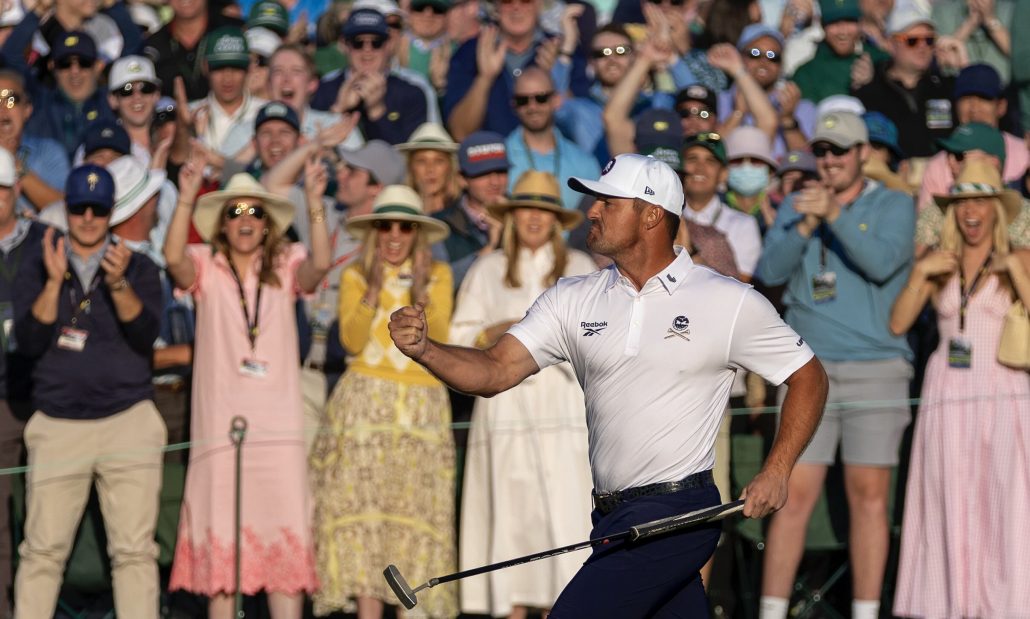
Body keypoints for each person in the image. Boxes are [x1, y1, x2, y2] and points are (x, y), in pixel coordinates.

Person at [388, 153, 829, 616]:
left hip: (677, 514)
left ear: (652, 214)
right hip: (609, 517)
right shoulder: (572, 298)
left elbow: (807, 375)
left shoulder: (726, 299)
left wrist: (778, 469)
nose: (592, 211)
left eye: (608, 202)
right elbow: (494, 371)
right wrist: (426, 350)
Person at [755, 111, 915, 619]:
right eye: (822, 151)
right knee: (791, 494)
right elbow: (769, 272)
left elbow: (881, 262)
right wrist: (804, 221)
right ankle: (772, 611)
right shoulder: (799, 203)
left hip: (878, 367)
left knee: (870, 498)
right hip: (808, 371)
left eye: (840, 152)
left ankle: (867, 612)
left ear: (863, 153)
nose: (829, 161)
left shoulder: (895, 203)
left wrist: (833, 217)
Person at [165, 160, 329, 618]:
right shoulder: (206, 265)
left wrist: (314, 202)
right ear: (221, 221)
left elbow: (318, 268)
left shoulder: (286, 261)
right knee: (222, 554)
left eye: (255, 212)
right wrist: (186, 195)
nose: (244, 220)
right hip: (220, 429)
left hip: (278, 432)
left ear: (267, 223)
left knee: (285, 546)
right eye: (234, 211)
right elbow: (173, 258)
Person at [12, 164, 164, 619]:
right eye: (79, 208)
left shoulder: (138, 266)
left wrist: (117, 284)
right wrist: (56, 281)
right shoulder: (40, 262)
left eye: (98, 209)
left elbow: (145, 334)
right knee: (41, 552)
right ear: (67, 210)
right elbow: (30, 340)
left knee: (134, 553)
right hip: (59, 424)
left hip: (127, 422)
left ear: (111, 211)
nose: (89, 218)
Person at [889, 161, 1030, 618]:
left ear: (996, 209)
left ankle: (1004, 606)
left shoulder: (1021, 259)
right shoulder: (939, 262)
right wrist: (920, 273)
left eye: (980, 202)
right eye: (963, 202)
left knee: (1003, 498)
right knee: (945, 492)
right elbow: (897, 324)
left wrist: (1018, 273)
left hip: (1003, 391)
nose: (971, 212)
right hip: (946, 392)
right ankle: (948, 603)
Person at [309, 185, 457, 618]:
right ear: (374, 231)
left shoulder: (440, 277)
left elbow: (442, 338)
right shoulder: (355, 274)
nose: (395, 235)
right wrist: (373, 290)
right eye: (385, 225)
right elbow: (350, 339)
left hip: (420, 408)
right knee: (364, 522)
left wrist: (423, 293)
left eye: (405, 226)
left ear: (417, 233)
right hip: (363, 407)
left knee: (414, 517)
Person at [453, 171, 594, 618]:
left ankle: (566, 605)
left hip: (563, 401)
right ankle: (509, 607)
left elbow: (598, 342)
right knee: (509, 509)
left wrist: (548, 345)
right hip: (505, 405)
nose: (534, 218)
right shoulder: (488, 268)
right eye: (526, 209)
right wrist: (492, 334)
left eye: (544, 211)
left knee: (566, 507)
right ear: (512, 216)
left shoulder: (580, 269)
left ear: (557, 220)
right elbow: (458, 335)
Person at [0, 147, 48, 619]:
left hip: (48, 395)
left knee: (45, 524)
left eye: (1, 189)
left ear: (16, 190)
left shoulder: (46, 239)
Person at [433, 130, 510, 289]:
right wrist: (491, 247)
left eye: (501, 172)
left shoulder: (526, 215)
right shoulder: (440, 225)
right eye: (483, 173)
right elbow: (439, 286)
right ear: (462, 179)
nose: (495, 181)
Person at [397, 122, 461, 215]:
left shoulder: (466, 213)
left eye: (439, 161)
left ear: (451, 167)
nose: (430, 169)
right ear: (410, 167)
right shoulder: (399, 215)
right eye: (421, 161)